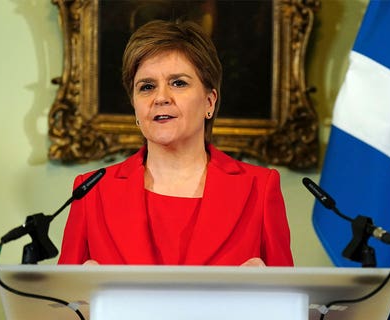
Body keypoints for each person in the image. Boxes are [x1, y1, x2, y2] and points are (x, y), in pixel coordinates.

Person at [58, 20, 293, 267]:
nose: (161, 98)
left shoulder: (260, 188)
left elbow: (288, 302)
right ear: (135, 106)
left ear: (209, 102)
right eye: (147, 87)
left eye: (178, 83)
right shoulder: (91, 191)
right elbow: (62, 302)